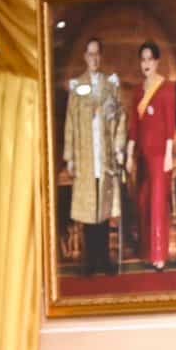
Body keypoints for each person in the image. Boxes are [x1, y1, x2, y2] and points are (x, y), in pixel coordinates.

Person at [63, 37, 126, 276]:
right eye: (90, 54)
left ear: (101, 55)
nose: (94, 58)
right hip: (86, 156)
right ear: (84, 57)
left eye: (97, 53)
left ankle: (104, 259)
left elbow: (119, 117)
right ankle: (90, 261)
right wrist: (70, 157)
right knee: (89, 208)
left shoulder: (110, 85)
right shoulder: (77, 86)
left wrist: (119, 148)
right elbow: (70, 122)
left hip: (105, 155)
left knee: (104, 207)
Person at [127, 41, 176, 271]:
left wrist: (168, 155)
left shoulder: (166, 88)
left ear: (157, 61)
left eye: (150, 59)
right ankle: (147, 251)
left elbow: (170, 124)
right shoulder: (138, 91)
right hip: (143, 157)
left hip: (159, 156)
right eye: (143, 59)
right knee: (144, 202)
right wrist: (129, 154)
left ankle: (159, 256)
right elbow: (134, 127)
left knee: (158, 204)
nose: (146, 63)